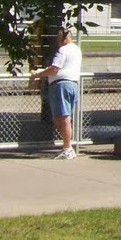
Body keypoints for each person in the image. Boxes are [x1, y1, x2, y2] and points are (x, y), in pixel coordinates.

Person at [29, 28, 82, 159]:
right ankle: (68, 145)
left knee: (62, 118)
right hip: (72, 84)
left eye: (58, 39)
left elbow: (54, 68)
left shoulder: (63, 50)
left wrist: (39, 74)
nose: (57, 42)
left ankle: (67, 148)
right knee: (63, 117)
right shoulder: (76, 49)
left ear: (63, 38)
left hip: (61, 85)